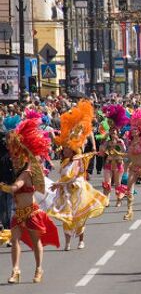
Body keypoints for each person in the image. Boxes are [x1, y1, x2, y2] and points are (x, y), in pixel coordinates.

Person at [1, 118, 60, 283]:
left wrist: (3, 187)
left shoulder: (27, 170)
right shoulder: (13, 168)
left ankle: (39, 268)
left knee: (36, 243)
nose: (11, 156)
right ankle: (15, 271)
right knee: (15, 241)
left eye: (12, 149)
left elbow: (15, 187)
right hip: (18, 212)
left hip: (31, 212)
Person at [49, 100, 108, 251]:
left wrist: (58, 184)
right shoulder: (64, 162)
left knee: (79, 218)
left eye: (67, 148)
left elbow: (73, 176)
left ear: (73, 150)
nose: (64, 150)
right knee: (66, 218)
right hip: (65, 192)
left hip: (77, 190)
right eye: (65, 148)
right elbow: (64, 176)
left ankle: (81, 239)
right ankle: (68, 242)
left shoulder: (78, 160)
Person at [98, 104, 129, 207]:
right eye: (111, 131)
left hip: (119, 164)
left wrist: (121, 145)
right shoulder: (107, 142)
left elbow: (125, 152)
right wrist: (103, 142)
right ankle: (106, 200)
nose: (112, 133)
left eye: (114, 131)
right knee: (107, 183)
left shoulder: (121, 141)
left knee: (118, 184)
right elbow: (101, 153)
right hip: (108, 164)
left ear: (117, 132)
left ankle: (119, 199)